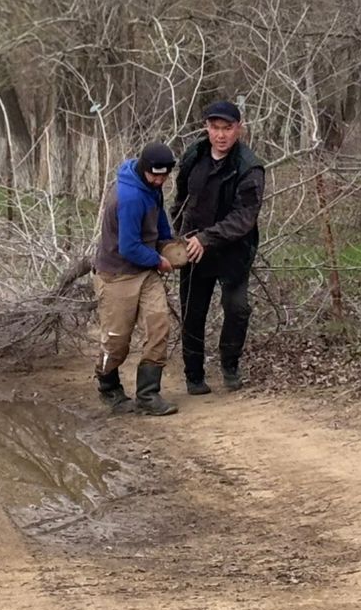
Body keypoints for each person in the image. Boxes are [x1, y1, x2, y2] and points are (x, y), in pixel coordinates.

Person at [172, 100, 266, 394]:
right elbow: (181, 196)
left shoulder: (249, 167)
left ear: (239, 129)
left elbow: (244, 217)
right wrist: (178, 233)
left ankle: (230, 364)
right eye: (215, 128)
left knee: (237, 309)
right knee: (192, 312)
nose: (221, 135)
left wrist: (207, 238)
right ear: (207, 128)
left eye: (227, 128)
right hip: (193, 247)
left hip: (233, 251)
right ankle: (194, 376)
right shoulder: (194, 155)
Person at [93, 142, 180, 416]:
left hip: (145, 271)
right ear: (144, 169)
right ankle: (108, 387)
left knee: (159, 326)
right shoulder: (129, 197)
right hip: (117, 275)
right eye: (155, 175)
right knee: (117, 341)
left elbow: (160, 222)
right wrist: (159, 260)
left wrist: (169, 245)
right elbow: (129, 247)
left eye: (164, 176)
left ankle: (148, 394)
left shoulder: (153, 188)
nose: (159, 180)